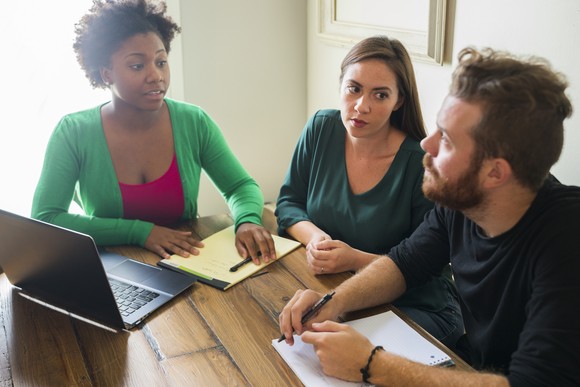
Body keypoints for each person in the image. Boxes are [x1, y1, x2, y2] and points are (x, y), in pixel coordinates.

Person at [278, 47, 580, 386]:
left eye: (447, 140)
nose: (426, 144)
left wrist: (371, 365)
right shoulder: (462, 200)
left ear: (495, 173)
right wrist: (330, 303)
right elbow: (404, 264)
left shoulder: (567, 242)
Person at [31, 0, 275, 264]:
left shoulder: (193, 121)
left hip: (186, 262)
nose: (156, 75)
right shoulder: (73, 133)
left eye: (161, 61)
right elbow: (46, 218)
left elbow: (240, 186)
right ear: (106, 74)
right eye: (137, 66)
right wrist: (140, 232)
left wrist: (247, 220)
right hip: (110, 269)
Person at [275, 36, 463, 349]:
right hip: (336, 288)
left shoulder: (420, 164)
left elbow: (424, 266)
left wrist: (353, 259)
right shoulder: (321, 128)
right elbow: (288, 202)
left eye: (380, 94)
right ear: (341, 85)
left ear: (398, 101)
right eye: (354, 88)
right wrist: (315, 238)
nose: (362, 106)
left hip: (417, 307)